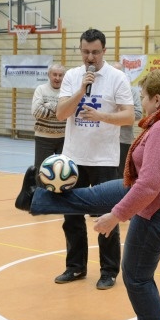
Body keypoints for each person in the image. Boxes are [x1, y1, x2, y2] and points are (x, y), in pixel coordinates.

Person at [15, 69, 160, 320]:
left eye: (143, 96)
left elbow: (151, 184)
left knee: (137, 278)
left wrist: (116, 216)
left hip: (158, 210)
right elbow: (150, 181)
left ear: (157, 98)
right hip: (152, 196)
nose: (141, 101)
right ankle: (35, 199)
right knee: (93, 196)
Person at [54, 28, 135, 290]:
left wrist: (102, 117)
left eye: (96, 52)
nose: (91, 57)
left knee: (106, 217)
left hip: (104, 160)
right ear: (80, 50)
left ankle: (109, 270)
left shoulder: (117, 78)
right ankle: (75, 267)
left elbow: (129, 117)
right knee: (72, 217)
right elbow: (60, 114)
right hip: (73, 158)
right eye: (86, 51)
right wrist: (80, 91)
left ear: (104, 51)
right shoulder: (72, 76)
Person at [31, 63, 66, 178]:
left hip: (64, 138)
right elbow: (36, 112)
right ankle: (40, 195)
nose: (57, 78)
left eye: (60, 75)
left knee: (63, 172)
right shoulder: (41, 89)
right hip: (43, 138)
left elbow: (69, 112)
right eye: (54, 74)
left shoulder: (67, 92)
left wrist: (48, 105)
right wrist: (59, 109)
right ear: (49, 75)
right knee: (41, 171)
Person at [112, 61, 143, 175]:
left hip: (123, 139)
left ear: (124, 74)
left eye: (118, 72)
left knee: (121, 174)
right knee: (106, 173)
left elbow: (139, 113)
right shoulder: (105, 89)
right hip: (105, 138)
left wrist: (116, 115)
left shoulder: (133, 91)